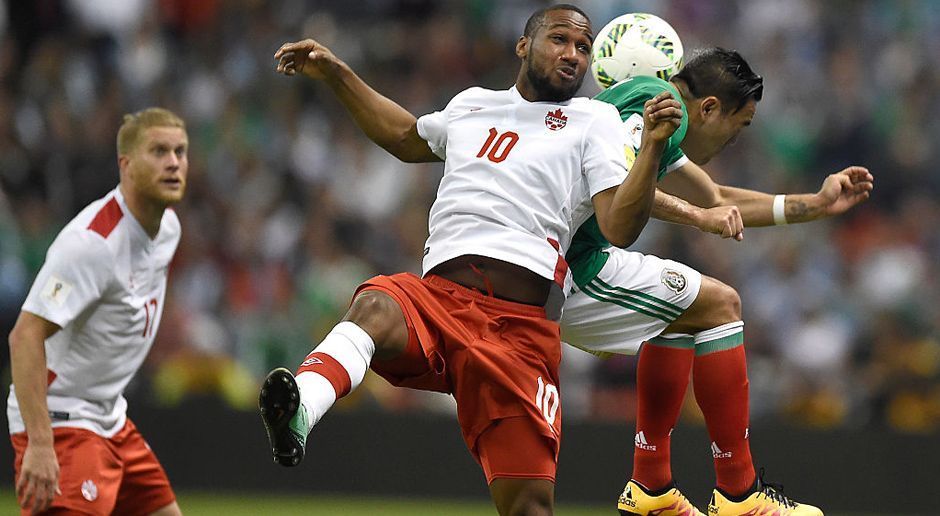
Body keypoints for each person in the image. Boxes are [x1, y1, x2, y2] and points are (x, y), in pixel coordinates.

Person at [258, 5, 683, 515]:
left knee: (529, 506)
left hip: (519, 331)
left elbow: (618, 226)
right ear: (524, 45)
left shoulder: (596, 120)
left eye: (583, 47)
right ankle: (301, 407)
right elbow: (403, 136)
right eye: (560, 40)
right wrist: (336, 72)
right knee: (375, 303)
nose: (573, 54)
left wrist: (654, 149)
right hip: (439, 301)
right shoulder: (470, 105)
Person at [560, 48, 872, 516]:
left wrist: (816, 204)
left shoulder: (649, 121)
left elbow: (718, 196)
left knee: (682, 312)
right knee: (720, 304)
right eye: (739, 125)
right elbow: (620, 185)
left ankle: (651, 488)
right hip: (559, 268)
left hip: (563, 257)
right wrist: (698, 217)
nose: (734, 141)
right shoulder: (661, 102)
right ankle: (739, 496)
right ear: (707, 108)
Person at [7, 107, 188, 515]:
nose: (174, 162)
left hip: (110, 416)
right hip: (63, 419)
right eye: (159, 151)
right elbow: (24, 336)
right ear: (125, 164)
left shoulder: (168, 229)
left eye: (180, 151)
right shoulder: (92, 245)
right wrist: (40, 443)